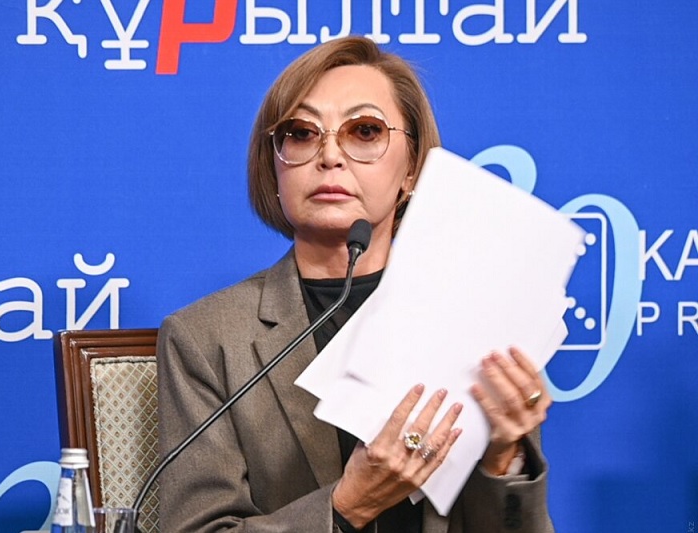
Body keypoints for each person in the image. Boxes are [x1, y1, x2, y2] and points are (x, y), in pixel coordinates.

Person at [157, 36, 554, 532]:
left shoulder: (475, 317)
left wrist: (503, 458)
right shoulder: (206, 338)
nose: (329, 156)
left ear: (412, 169)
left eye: (364, 131)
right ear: (274, 167)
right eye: (302, 133)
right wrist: (348, 506)